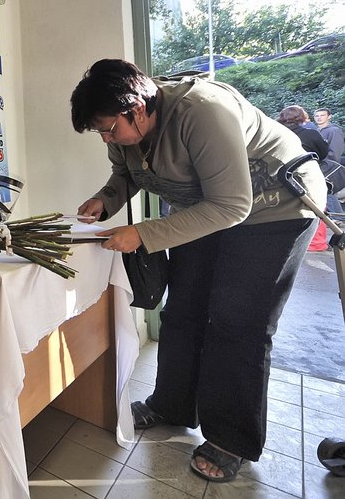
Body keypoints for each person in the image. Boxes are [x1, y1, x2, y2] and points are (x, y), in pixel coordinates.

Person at [70, 59, 324, 483]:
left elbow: (233, 205)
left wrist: (143, 233)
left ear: (136, 107)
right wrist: (105, 200)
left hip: (273, 208)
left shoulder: (202, 110)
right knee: (183, 310)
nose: (106, 137)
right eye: (100, 132)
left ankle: (231, 438)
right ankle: (171, 403)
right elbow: (125, 175)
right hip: (203, 209)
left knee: (237, 322)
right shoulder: (121, 130)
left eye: (109, 128)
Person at [277, 105, 333, 251]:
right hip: (307, 177)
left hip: (278, 177)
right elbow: (323, 153)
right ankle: (316, 243)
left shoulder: (276, 133)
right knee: (316, 205)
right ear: (302, 117)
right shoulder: (311, 134)